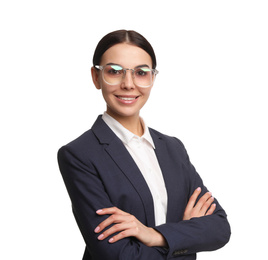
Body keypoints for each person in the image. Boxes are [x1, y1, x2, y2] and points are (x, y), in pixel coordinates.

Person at [57, 30, 231, 260]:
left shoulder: (173, 148)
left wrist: (153, 235)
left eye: (140, 72)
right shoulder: (80, 154)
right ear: (96, 77)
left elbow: (219, 228)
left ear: (152, 78)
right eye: (114, 71)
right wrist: (186, 238)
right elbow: (117, 255)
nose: (128, 84)